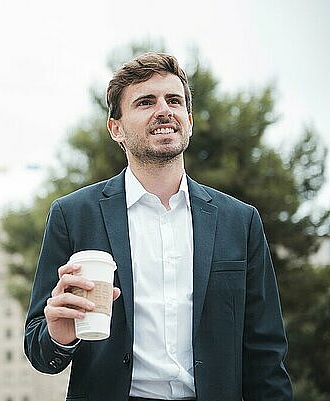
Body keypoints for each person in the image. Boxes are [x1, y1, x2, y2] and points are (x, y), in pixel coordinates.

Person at [24, 52, 293, 401]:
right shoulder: (72, 215)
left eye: (174, 100)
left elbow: (266, 357)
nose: (164, 110)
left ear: (189, 121)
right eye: (145, 102)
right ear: (115, 128)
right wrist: (60, 335)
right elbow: (39, 349)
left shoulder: (240, 221)